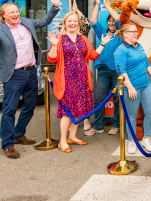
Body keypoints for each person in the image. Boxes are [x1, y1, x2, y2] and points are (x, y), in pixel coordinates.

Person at [0, 0, 61, 159]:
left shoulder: (26, 22)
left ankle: (18, 134)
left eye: (16, 11)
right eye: (11, 12)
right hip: (13, 75)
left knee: (30, 106)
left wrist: (54, 7)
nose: (16, 14)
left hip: (31, 72)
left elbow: (45, 21)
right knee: (9, 110)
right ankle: (7, 144)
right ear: (3, 16)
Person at [47, 12, 113, 153]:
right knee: (67, 112)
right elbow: (52, 59)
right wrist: (53, 46)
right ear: (65, 23)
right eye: (69, 21)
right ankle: (63, 140)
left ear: (78, 23)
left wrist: (103, 44)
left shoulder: (83, 38)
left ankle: (72, 136)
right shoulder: (59, 38)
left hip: (82, 79)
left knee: (79, 109)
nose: (72, 23)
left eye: (75, 21)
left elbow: (93, 55)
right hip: (67, 80)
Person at [113, 23, 151, 154]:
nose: (136, 33)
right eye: (134, 31)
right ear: (125, 34)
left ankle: (147, 138)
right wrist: (131, 88)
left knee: (150, 112)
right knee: (131, 116)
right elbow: (122, 71)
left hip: (146, 85)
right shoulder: (121, 50)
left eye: (137, 32)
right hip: (131, 88)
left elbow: (146, 62)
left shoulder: (138, 46)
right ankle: (132, 141)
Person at [86, 0, 122, 136]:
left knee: (118, 100)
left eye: (113, 21)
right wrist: (97, 5)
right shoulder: (102, 31)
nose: (111, 23)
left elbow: (119, 19)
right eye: (109, 21)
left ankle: (116, 125)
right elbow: (93, 20)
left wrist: (107, 6)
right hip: (102, 70)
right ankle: (98, 126)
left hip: (116, 72)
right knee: (99, 99)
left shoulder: (121, 33)